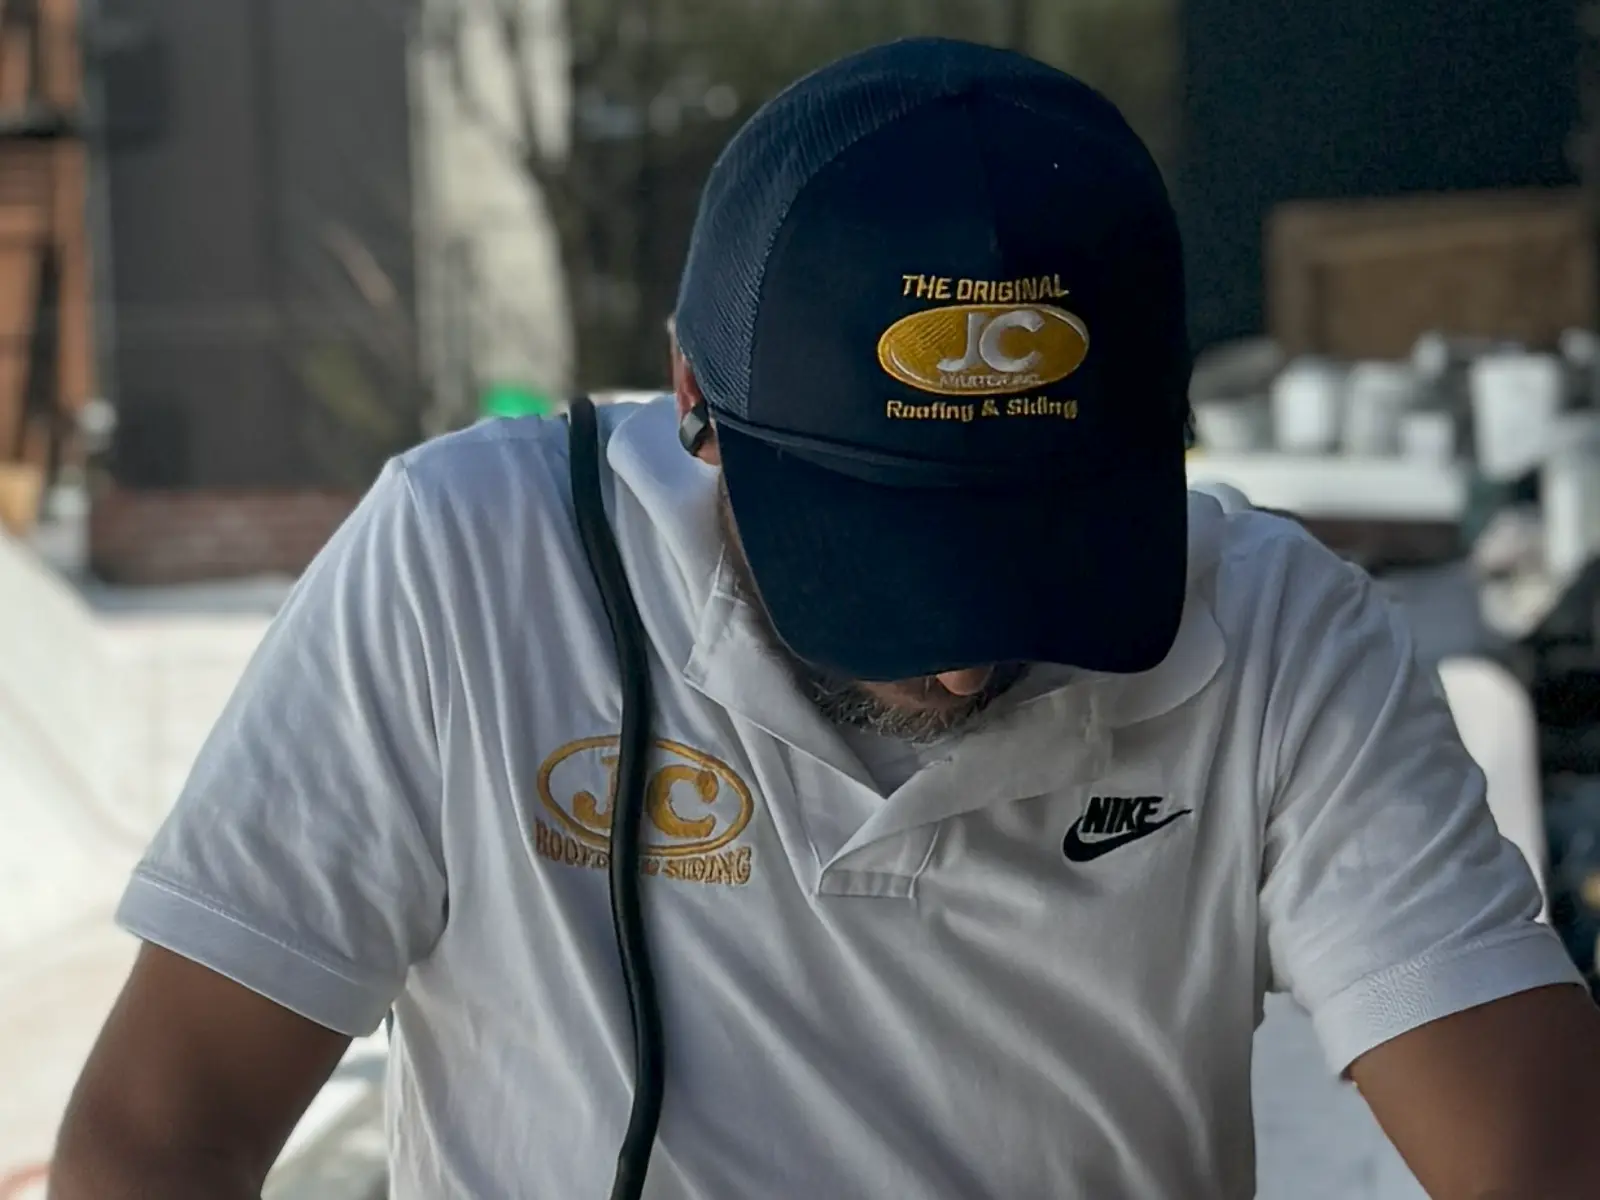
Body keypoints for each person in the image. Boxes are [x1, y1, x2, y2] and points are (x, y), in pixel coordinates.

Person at [51, 37, 1600, 1200]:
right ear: (695, 402)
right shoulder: (471, 573)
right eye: (887, 562)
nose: (966, 661)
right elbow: (156, 1135)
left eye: (1046, 550)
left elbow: (1538, 1159)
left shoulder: (1280, 639)